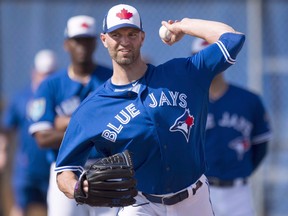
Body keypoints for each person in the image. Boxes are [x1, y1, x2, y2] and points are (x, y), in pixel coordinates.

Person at [55, 4, 245, 216]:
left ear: (142, 38)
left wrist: (184, 26)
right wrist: (78, 189)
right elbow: (64, 170)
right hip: (139, 204)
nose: (124, 41)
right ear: (104, 39)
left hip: (193, 200)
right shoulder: (91, 109)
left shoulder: (182, 74)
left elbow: (232, 39)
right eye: (116, 34)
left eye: (131, 34)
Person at [28, 15, 117, 216]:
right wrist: (95, 128)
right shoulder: (50, 85)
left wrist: (65, 124)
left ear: (96, 42)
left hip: (106, 168)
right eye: (77, 40)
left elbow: (123, 127)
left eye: (87, 40)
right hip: (65, 168)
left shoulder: (112, 79)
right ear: (67, 44)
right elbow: (42, 138)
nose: (82, 46)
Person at [191, 38, 272, 216]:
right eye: (202, 57)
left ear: (225, 59)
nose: (209, 63)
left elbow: (261, 145)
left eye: (214, 57)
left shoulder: (248, 99)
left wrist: (241, 169)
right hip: (198, 191)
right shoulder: (187, 102)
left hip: (238, 191)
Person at [1, 49, 57, 216]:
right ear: (34, 72)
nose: (45, 79)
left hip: (51, 166)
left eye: (50, 74)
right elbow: (6, 128)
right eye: (42, 74)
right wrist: (2, 151)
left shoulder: (59, 98)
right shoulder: (21, 98)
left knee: (54, 208)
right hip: (26, 167)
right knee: (19, 207)